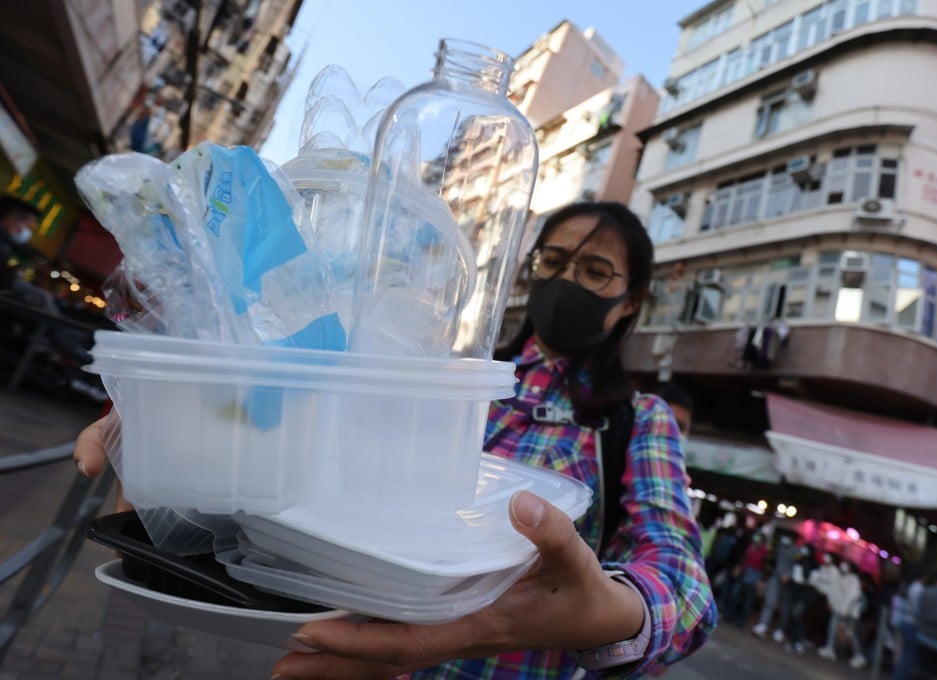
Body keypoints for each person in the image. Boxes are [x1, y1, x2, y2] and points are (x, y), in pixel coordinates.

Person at [74, 200, 717, 679]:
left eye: (596, 271)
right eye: (554, 260)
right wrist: (178, 410)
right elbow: (309, 448)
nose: (567, 279)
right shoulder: (437, 376)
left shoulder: (637, 421)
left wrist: (609, 609)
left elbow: (685, 588)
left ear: (629, 303)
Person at [817, 560, 867, 669]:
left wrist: (845, 610)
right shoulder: (842, 577)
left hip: (849, 612)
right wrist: (832, 604)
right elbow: (836, 592)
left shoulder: (853, 580)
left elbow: (851, 597)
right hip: (840, 609)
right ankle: (830, 648)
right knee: (834, 628)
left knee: (850, 634)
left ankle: (858, 655)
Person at [753, 531, 797, 643]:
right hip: (775, 578)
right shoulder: (778, 548)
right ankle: (763, 624)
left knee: (784, 608)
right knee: (769, 602)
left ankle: (780, 630)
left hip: (788, 584)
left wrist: (789, 576)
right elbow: (771, 562)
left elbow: (798, 567)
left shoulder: (797, 552)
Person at [0, 195, 38, 291]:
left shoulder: (5, 245)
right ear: (11, 220)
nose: (27, 232)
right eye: (28, 226)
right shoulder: (3, 246)